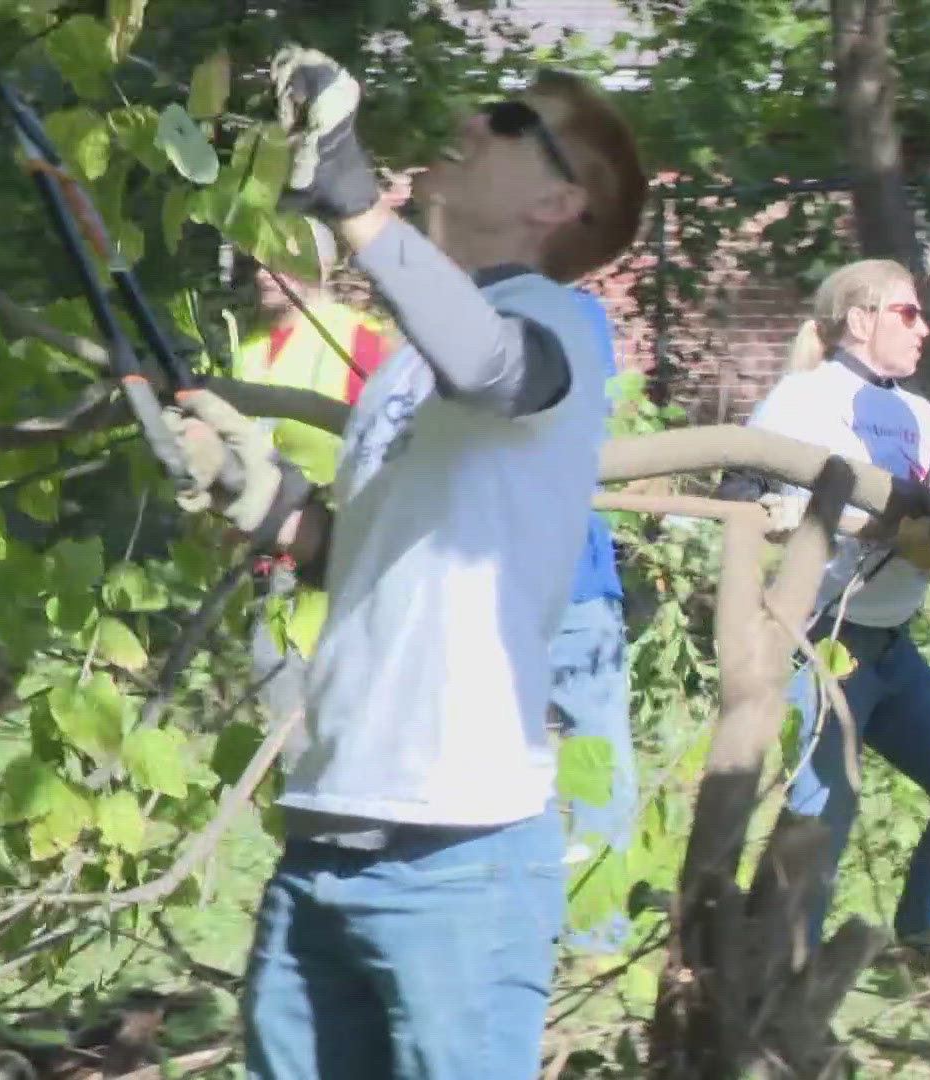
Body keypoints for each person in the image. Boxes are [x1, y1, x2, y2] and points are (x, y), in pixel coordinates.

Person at [162, 46, 647, 1079]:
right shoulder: (416, 360)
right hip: (328, 831)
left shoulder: (550, 328)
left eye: (513, 118)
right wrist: (249, 488)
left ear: (560, 201)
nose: (475, 121)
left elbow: (495, 365)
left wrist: (348, 192)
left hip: (458, 860)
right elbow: (354, 556)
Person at [720, 258, 930, 958]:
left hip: (895, 645)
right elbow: (737, 500)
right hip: (823, 643)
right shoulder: (801, 401)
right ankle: (775, 977)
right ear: (861, 320)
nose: (924, 328)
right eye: (908, 313)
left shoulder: (920, 412)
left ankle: (925, 943)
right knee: (822, 820)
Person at [233, 218, 396, 746]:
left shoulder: (361, 342)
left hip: (347, 566)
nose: (264, 274)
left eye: (280, 261)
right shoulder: (249, 347)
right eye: (259, 260)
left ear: (322, 267)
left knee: (351, 731)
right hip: (270, 563)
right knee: (288, 730)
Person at [550, 285, 637, 954]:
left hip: (563, 577)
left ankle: (591, 928)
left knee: (594, 760)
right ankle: (595, 932)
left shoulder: (464, 301)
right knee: (597, 759)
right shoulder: (577, 311)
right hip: (556, 576)